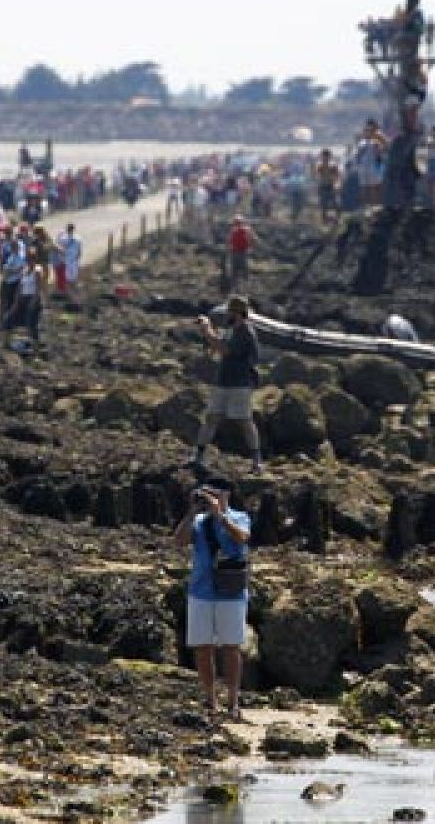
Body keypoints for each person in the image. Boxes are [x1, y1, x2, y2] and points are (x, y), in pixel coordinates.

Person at [170, 477, 250, 720]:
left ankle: (233, 701)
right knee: (202, 647)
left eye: (214, 493)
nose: (210, 497)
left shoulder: (239, 516)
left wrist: (220, 515)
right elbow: (179, 540)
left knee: (231, 647)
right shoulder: (199, 522)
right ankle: (210, 700)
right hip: (201, 591)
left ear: (226, 494)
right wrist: (192, 511)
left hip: (231, 592)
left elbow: (242, 537)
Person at [190, 297, 263, 472]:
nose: (226, 315)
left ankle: (256, 460)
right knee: (212, 418)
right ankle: (198, 456)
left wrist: (207, 330)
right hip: (223, 381)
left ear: (236, 313)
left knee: (244, 421)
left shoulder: (245, 332)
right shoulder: (231, 330)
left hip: (239, 384)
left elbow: (226, 350)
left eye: (229, 312)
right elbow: (219, 347)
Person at [226, 217, 253, 288]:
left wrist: (229, 250)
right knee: (243, 270)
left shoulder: (234, 231)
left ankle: (236, 287)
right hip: (241, 253)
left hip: (237, 253)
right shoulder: (246, 229)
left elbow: (229, 242)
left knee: (235, 271)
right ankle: (245, 285)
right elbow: (250, 240)